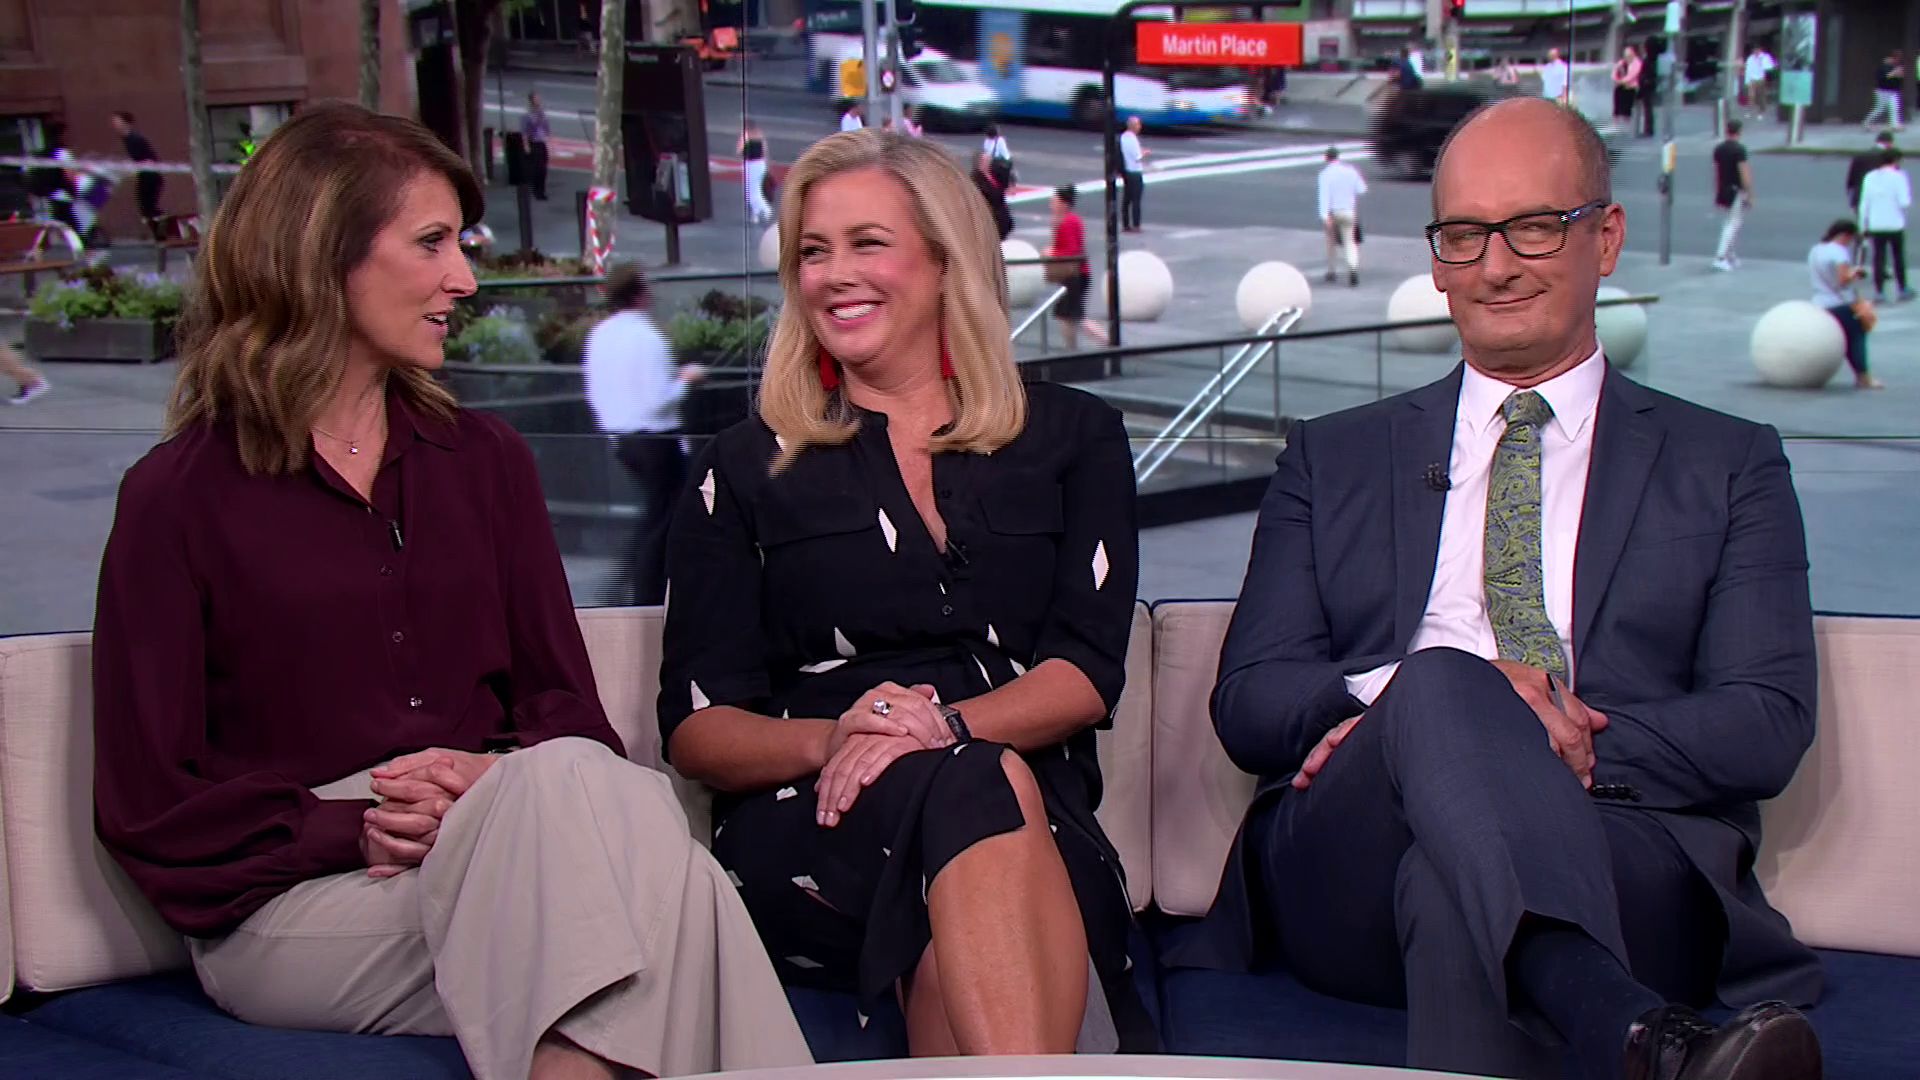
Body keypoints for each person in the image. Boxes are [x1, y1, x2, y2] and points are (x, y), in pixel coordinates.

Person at [90, 103, 813, 1080]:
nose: (465, 280)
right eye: (432, 243)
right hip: (301, 899)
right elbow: (148, 802)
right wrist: (359, 824)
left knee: (583, 802)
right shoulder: (178, 498)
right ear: (321, 257)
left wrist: (487, 786)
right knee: (660, 888)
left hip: (519, 828)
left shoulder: (485, 461)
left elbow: (567, 715)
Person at [1181, 98, 1825, 1080]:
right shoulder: (1331, 458)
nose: (1495, 266)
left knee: (1452, 885)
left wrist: (1543, 741)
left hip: (1625, 852)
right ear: (1438, 261)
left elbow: (1765, 720)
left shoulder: (1729, 462)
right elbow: (1250, 700)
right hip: (1344, 865)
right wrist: (1425, 706)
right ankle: (1637, 1028)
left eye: (1533, 227)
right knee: (1445, 677)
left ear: (1605, 237)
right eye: (1464, 235)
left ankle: (1630, 1031)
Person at [658, 128, 1152, 1057]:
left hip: (1026, 807)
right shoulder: (741, 467)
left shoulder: (1074, 437)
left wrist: (943, 729)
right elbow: (697, 726)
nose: (834, 275)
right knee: (975, 802)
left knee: (974, 814)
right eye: (813, 251)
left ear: (943, 261)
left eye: (867, 243)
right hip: (818, 815)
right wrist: (839, 739)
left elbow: (1085, 672)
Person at [584, 263, 705, 606]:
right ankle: (644, 590)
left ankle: (633, 584)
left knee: (657, 515)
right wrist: (686, 380)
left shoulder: (599, 335)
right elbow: (657, 400)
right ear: (639, 294)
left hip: (622, 439)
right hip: (656, 442)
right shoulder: (647, 338)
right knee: (663, 519)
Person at [1810, 219, 1883, 390]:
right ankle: (1863, 377)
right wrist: (1855, 273)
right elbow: (1842, 280)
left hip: (1820, 302)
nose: (1849, 243)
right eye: (1850, 239)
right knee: (1856, 337)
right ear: (1844, 235)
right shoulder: (1839, 252)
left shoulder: (1816, 250)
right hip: (1840, 303)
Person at [1048, 184, 1107, 350]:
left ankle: (1108, 343)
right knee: (1068, 316)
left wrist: (1052, 252)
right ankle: (1072, 348)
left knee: (1074, 316)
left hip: (1076, 275)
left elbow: (1072, 250)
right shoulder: (1069, 220)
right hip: (1077, 274)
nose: (1051, 205)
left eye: (1054, 201)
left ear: (1063, 204)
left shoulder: (1068, 222)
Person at [1857, 148, 1914, 302]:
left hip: (1876, 224)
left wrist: (1863, 225)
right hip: (1895, 224)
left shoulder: (1870, 177)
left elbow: (1864, 203)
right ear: (1895, 160)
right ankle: (1902, 288)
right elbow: (1904, 202)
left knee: (1878, 258)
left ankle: (1879, 292)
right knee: (1898, 257)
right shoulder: (1899, 177)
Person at [1316, 145, 1367, 287]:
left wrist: (1324, 216)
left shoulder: (1325, 174)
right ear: (1338, 157)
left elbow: (1324, 196)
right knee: (1350, 242)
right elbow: (1362, 189)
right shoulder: (1351, 171)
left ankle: (1332, 271)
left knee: (1331, 243)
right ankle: (1353, 269)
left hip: (1333, 213)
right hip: (1349, 211)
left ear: (1326, 158)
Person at [110, 110, 163, 240]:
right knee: (146, 207)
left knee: (148, 207)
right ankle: (160, 234)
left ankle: (163, 233)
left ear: (126, 123)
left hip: (151, 177)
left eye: (117, 121)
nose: (114, 124)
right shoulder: (127, 139)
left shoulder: (135, 138)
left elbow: (143, 160)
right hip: (145, 176)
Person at [1712, 119, 1754, 272]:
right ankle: (1720, 257)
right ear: (1739, 132)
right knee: (1732, 224)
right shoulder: (1739, 150)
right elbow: (1744, 173)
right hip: (1736, 190)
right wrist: (1749, 194)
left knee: (1732, 222)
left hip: (1723, 189)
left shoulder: (1719, 149)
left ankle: (1729, 255)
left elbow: (1716, 171)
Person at [1846, 131, 1896, 212]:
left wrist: (1852, 201)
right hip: (1880, 200)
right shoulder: (1889, 159)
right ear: (1889, 143)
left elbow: (1851, 181)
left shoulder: (1859, 156)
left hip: (1860, 197)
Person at [972, 150, 1015, 241]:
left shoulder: (993, 173)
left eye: (989, 160)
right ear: (979, 162)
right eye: (986, 160)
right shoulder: (976, 179)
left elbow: (1005, 174)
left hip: (1001, 214)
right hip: (992, 217)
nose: (988, 162)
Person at [1119, 116, 1149, 233]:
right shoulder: (1132, 139)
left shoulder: (1123, 137)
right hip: (1135, 171)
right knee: (1136, 200)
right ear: (1133, 126)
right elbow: (1137, 157)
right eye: (1138, 125)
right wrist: (1144, 153)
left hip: (1126, 170)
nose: (1140, 127)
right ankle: (1136, 225)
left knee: (1127, 199)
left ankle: (1126, 224)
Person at [740, 125, 774, 225]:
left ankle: (764, 210)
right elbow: (765, 152)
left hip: (752, 165)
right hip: (759, 164)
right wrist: (767, 166)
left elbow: (739, 151)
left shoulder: (746, 137)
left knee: (752, 193)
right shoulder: (760, 137)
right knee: (754, 191)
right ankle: (755, 215)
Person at [1864, 51, 1905, 131]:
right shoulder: (1883, 67)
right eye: (1892, 58)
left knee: (1894, 108)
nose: (1893, 60)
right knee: (1879, 109)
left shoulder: (1894, 67)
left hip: (1892, 91)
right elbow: (1883, 78)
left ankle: (1894, 125)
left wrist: (1900, 75)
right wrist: (1894, 73)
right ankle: (1866, 123)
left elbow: (1897, 80)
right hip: (1882, 91)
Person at [521, 91, 551, 200]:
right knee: (537, 169)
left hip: (542, 143)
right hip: (533, 143)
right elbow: (525, 131)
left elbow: (546, 128)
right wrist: (526, 145)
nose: (539, 101)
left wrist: (548, 140)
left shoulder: (542, 114)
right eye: (536, 99)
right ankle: (537, 191)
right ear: (531, 101)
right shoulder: (528, 115)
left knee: (543, 168)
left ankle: (541, 190)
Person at [1637, 36, 1662, 137]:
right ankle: (1648, 129)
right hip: (1649, 85)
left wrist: (1643, 81)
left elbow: (1646, 73)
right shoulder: (1655, 58)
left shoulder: (1649, 59)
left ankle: (1648, 130)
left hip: (1647, 86)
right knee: (1648, 109)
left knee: (1648, 109)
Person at [1611, 47, 1641, 130]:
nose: (1627, 57)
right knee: (1617, 105)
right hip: (1620, 86)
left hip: (1630, 87)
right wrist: (1618, 80)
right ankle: (1616, 125)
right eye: (1626, 55)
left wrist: (1623, 81)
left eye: (1629, 55)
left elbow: (1633, 75)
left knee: (1627, 107)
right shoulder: (1621, 63)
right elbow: (1614, 73)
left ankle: (1626, 125)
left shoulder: (1636, 63)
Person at [1743, 44, 1776, 119]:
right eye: (1754, 50)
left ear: (1760, 50)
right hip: (1752, 79)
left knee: (1761, 96)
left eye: (1757, 50)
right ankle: (1749, 111)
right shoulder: (1750, 58)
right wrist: (1747, 81)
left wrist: (1762, 62)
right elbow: (1748, 69)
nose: (1755, 52)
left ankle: (1760, 112)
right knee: (1751, 96)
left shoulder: (1765, 57)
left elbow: (1770, 67)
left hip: (1760, 79)